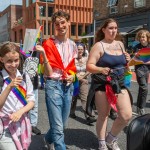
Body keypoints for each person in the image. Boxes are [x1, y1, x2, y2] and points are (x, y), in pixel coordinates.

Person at [86, 18, 132, 150]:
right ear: (104, 30)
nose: (113, 31)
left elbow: (124, 64)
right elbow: (89, 66)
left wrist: (127, 59)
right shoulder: (98, 46)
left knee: (126, 115)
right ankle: (102, 143)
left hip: (119, 84)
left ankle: (110, 138)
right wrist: (101, 69)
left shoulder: (120, 44)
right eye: (110, 28)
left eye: (115, 28)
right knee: (103, 115)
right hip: (102, 84)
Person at [35, 10, 78, 150]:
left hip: (68, 86)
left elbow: (72, 67)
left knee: (62, 125)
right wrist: (43, 55)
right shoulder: (48, 44)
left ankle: (47, 139)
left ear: (68, 23)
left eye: (63, 22)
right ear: (54, 26)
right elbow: (47, 72)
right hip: (53, 85)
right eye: (57, 24)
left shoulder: (73, 45)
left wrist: (73, 76)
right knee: (58, 127)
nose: (60, 26)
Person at [0, 43, 35, 150]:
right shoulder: (1, 79)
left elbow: (32, 101)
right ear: (2, 60)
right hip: (3, 127)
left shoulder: (24, 76)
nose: (14, 64)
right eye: (9, 61)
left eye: (16, 60)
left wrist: (20, 112)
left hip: (22, 124)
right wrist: (9, 87)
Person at [70, 42, 96, 124]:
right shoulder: (72, 59)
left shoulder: (87, 58)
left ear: (84, 50)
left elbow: (89, 69)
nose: (80, 51)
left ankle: (89, 116)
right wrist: (76, 77)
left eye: (81, 49)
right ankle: (71, 112)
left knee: (85, 98)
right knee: (73, 98)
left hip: (84, 80)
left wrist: (83, 76)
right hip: (73, 81)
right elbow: (69, 69)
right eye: (78, 49)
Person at [133, 29, 150, 115]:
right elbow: (135, 59)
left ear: (147, 37)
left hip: (147, 70)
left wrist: (146, 62)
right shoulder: (137, 47)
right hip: (139, 69)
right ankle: (142, 107)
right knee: (144, 88)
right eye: (140, 37)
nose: (141, 38)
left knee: (141, 89)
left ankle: (138, 107)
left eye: (143, 37)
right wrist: (141, 60)